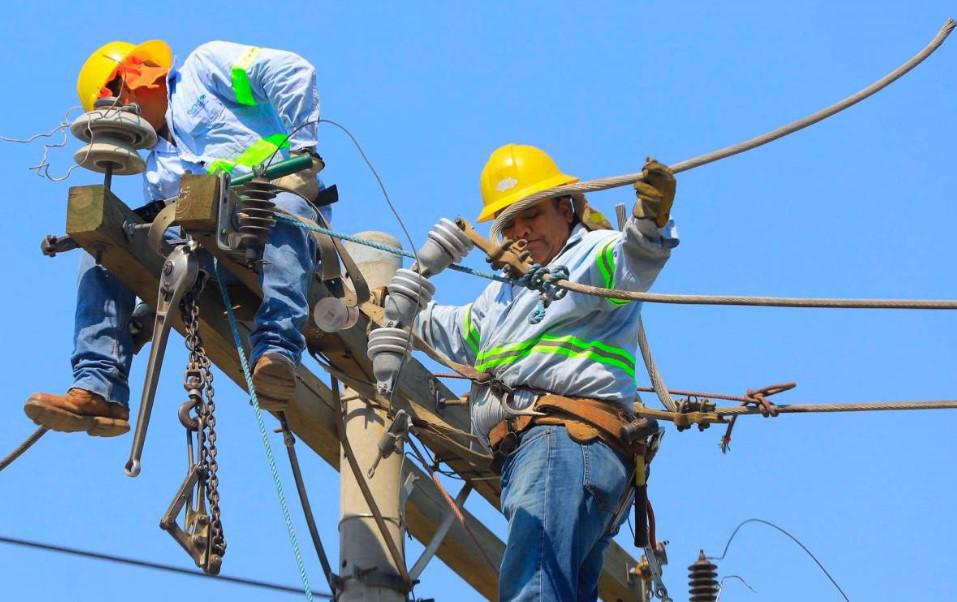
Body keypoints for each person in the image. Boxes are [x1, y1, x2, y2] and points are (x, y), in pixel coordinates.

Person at [413, 144, 679, 601]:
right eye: (509, 223)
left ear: (566, 206)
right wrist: (396, 296)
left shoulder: (589, 254)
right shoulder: (502, 296)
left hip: (561, 441)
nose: (520, 231)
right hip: (546, 454)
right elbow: (452, 332)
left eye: (530, 214)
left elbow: (635, 259)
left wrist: (650, 219)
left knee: (532, 588)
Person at [24, 39, 327, 436]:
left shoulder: (204, 70)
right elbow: (171, 254)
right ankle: (100, 388)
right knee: (107, 248)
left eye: (113, 104)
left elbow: (292, 71)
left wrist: (302, 148)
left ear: (132, 78)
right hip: (215, 258)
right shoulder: (157, 171)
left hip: (265, 226)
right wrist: (142, 318)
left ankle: (276, 353)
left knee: (284, 209)